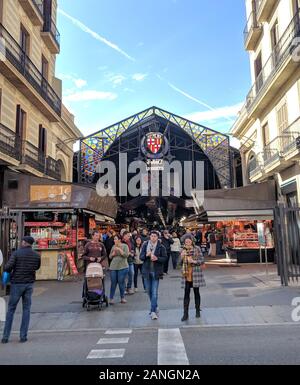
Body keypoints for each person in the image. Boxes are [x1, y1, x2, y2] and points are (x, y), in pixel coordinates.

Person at [2, 236, 41, 344]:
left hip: (17, 284)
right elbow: (37, 267)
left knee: (11, 310)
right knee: (26, 310)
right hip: (29, 284)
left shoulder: (16, 253)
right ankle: (23, 336)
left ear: (24, 242)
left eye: (21, 241)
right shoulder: (36, 255)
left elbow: (8, 267)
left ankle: (6, 336)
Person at [140, 231, 167, 320]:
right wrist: (146, 255)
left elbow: (165, 258)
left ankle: (152, 311)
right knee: (148, 291)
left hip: (156, 272)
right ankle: (155, 306)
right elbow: (141, 257)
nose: (153, 237)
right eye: (152, 236)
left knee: (154, 292)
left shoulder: (161, 247)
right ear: (150, 237)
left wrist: (157, 258)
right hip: (146, 271)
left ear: (157, 237)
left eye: (155, 236)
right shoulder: (145, 245)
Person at [180, 235, 206, 322]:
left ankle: (197, 310)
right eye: (186, 242)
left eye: (189, 241)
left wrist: (194, 261)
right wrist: (181, 257)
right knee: (186, 294)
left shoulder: (197, 248)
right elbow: (177, 264)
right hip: (186, 274)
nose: (187, 243)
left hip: (196, 273)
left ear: (192, 241)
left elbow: (202, 260)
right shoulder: (182, 250)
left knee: (196, 292)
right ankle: (185, 314)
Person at [109, 235, 129, 304]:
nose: (114, 240)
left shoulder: (125, 246)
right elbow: (110, 257)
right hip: (113, 267)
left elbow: (126, 255)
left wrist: (120, 250)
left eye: (116, 239)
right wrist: (113, 254)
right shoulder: (113, 247)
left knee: (121, 282)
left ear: (119, 240)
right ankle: (111, 298)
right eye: (114, 239)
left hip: (123, 266)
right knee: (113, 283)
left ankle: (122, 298)